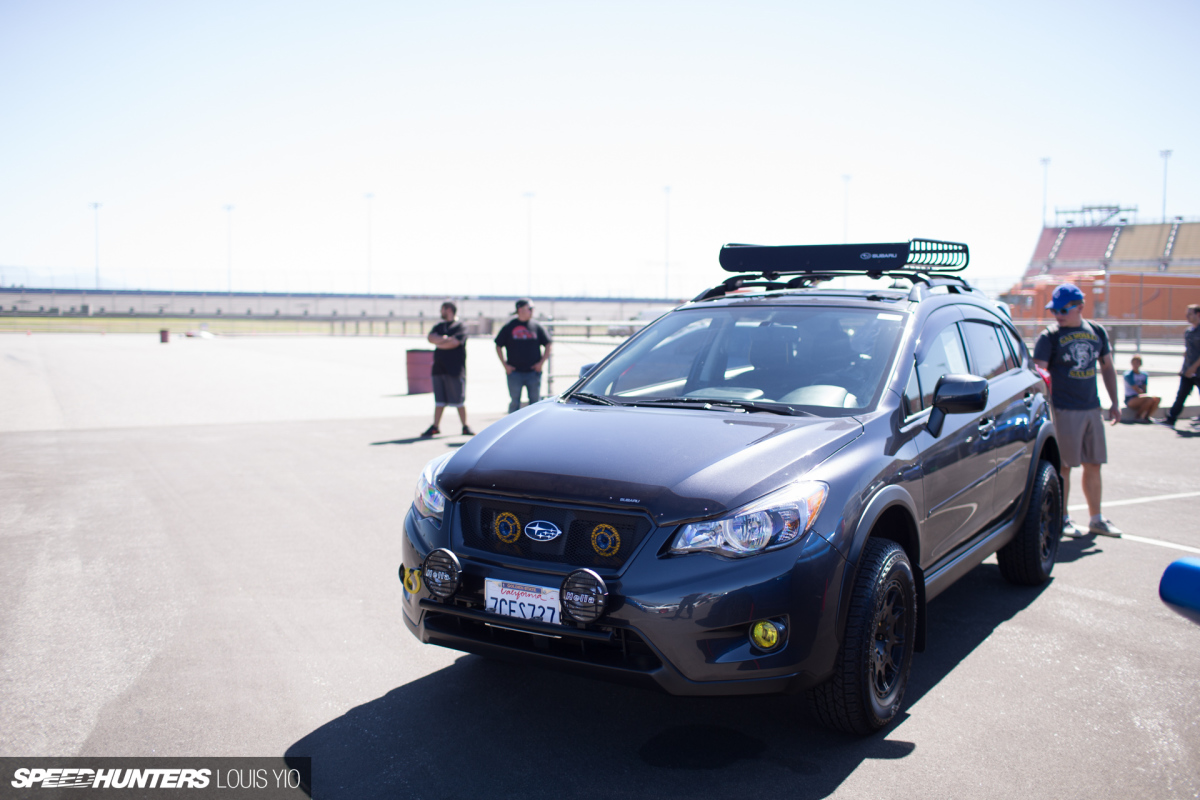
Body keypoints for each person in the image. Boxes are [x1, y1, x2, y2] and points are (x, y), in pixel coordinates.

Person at [1033, 284, 1122, 538]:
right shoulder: (1048, 337)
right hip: (1062, 409)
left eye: (1063, 310)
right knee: (1064, 467)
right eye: (1054, 310)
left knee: (1094, 464)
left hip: (1091, 407)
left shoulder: (1096, 332)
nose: (1058, 315)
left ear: (1079, 307)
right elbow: (1040, 374)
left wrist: (1114, 402)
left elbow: (1107, 367)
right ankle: (1062, 518)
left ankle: (1096, 518)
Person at [421, 301, 473, 438]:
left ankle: (465, 426)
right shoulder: (439, 326)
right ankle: (435, 426)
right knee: (439, 401)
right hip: (439, 369)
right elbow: (431, 338)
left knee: (459, 401)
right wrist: (444, 339)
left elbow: (455, 343)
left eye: (442, 309)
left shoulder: (460, 326)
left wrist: (440, 343)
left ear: (449, 310)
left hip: (455, 370)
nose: (441, 312)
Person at [494, 298, 552, 414]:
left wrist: (541, 364)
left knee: (535, 402)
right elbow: (498, 345)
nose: (532, 311)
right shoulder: (509, 326)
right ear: (520, 310)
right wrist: (505, 365)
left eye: (533, 309)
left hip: (533, 372)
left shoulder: (536, 326)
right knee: (515, 402)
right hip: (515, 373)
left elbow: (548, 344)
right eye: (529, 308)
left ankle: (534, 428)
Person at [1157, 304, 1200, 428]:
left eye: (1189, 314)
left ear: (1198, 314)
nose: (1187, 316)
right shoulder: (1188, 331)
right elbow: (1187, 351)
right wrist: (1184, 368)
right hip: (1187, 371)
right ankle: (1171, 419)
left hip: (1198, 370)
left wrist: (1194, 367)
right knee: (1181, 395)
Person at [1123, 355, 1160, 422]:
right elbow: (1136, 389)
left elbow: (1144, 389)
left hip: (1141, 397)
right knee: (1149, 399)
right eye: (1134, 363)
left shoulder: (1144, 375)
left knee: (1157, 399)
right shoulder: (1128, 375)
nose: (1135, 365)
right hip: (1131, 398)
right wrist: (1143, 394)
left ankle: (1147, 417)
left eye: (1137, 363)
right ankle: (1138, 416)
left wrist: (1144, 393)